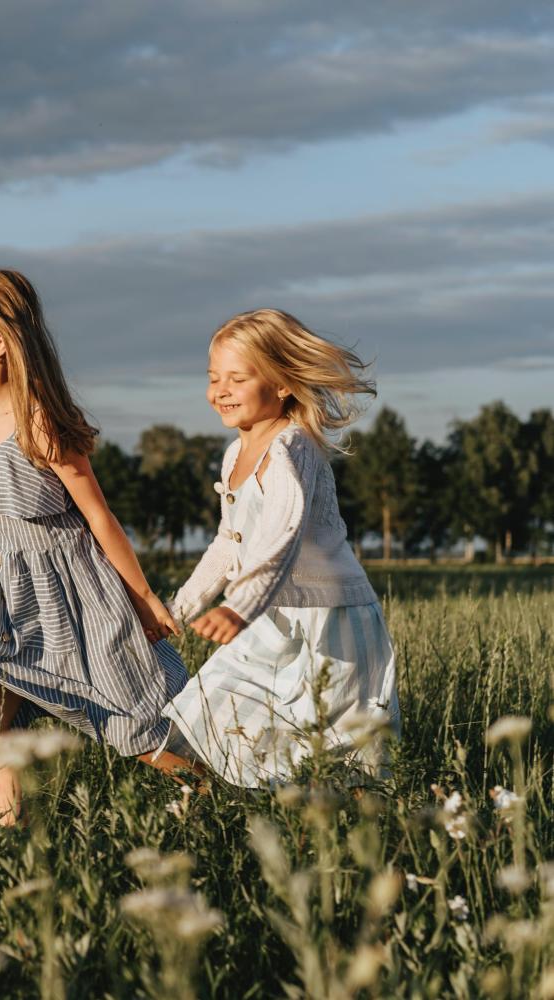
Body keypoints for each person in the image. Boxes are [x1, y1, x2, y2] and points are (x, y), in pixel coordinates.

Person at [0, 268, 193, 826]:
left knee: (127, 721)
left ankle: (207, 788)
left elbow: (100, 517)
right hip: (20, 601)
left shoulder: (38, 423)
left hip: (77, 594)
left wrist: (143, 599)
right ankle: (9, 833)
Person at [162, 308, 400, 788]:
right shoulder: (234, 455)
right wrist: (178, 610)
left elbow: (282, 537)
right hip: (267, 614)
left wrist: (238, 607)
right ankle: (225, 806)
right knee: (206, 709)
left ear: (282, 383)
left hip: (331, 620)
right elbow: (229, 545)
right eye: (213, 378)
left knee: (339, 755)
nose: (220, 391)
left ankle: (367, 836)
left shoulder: (293, 447)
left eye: (237, 378)